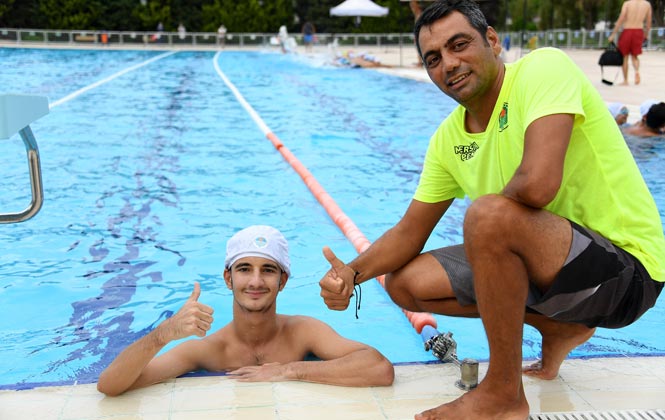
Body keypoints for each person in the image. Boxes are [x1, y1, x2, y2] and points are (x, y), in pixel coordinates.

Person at [318, 1, 665, 419]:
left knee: (487, 217)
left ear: (493, 41)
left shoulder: (543, 69)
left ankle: (503, 393)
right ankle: (557, 327)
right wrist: (351, 274)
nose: (449, 63)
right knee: (404, 283)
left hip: (629, 275)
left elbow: (538, 185)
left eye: (459, 44)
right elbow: (410, 232)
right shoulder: (448, 140)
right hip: (560, 267)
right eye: (434, 59)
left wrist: (488, 235)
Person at [97, 225, 394, 396]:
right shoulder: (207, 351)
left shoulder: (304, 332)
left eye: (267, 270)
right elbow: (110, 386)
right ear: (229, 279)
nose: (255, 281)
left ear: (283, 281)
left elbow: (379, 368)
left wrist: (289, 370)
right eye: (244, 269)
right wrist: (163, 334)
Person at [608, 0, 652, 85]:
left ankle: (625, 80)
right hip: (639, 31)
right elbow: (648, 22)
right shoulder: (647, 4)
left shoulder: (628, 4)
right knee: (635, 56)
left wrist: (613, 34)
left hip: (627, 30)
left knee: (625, 57)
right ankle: (637, 71)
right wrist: (646, 34)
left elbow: (621, 18)